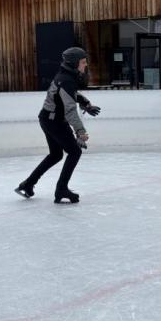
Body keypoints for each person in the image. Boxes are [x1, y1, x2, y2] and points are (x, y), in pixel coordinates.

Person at [15, 47, 101, 204]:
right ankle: (61, 189)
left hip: (48, 119)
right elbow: (69, 109)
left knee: (56, 155)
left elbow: (70, 95)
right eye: (83, 62)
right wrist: (80, 131)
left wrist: (86, 104)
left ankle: (27, 184)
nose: (85, 65)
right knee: (74, 152)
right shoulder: (67, 79)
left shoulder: (66, 76)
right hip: (54, 121)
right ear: (74, 63)